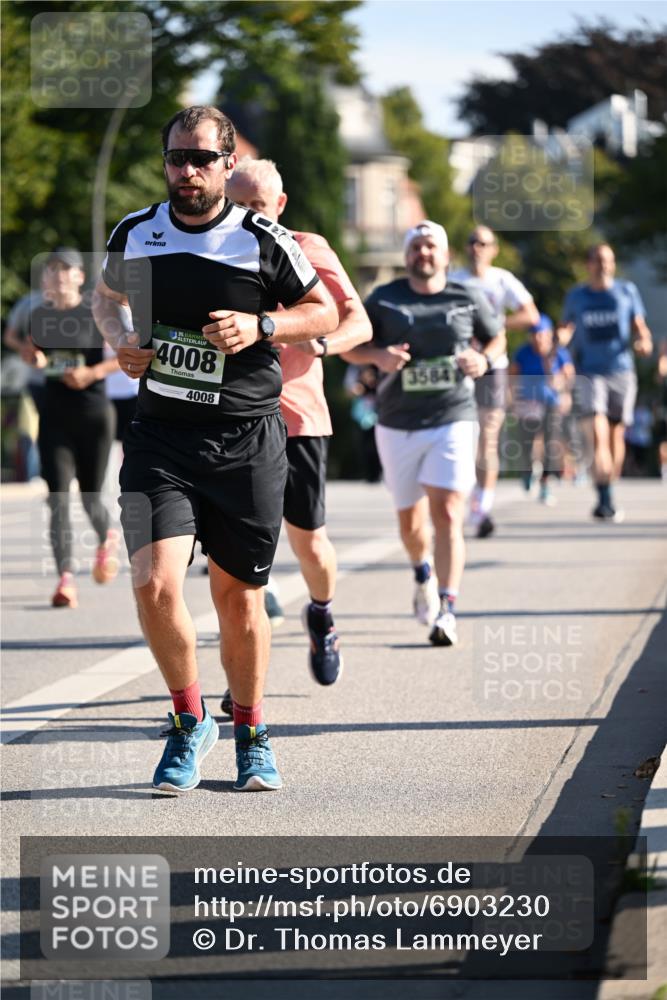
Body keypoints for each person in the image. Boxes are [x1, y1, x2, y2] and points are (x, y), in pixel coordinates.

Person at [92, 106, 338, 794]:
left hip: (245, 441)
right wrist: (120, 340)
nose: (188, 171)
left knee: (238, 602)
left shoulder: (262, 237)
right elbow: (105, 296)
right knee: (153, 584)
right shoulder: (136, 232)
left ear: (229, 165)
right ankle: (187, 720)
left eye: (202, 159)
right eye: (177, 159)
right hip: (160, 436)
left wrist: (262, 324)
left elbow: (324, 314)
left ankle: (252, 733)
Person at [222, 157, 371, 689]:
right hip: (232, 417)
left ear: (279, 206)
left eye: (256, 208)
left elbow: (359, 321)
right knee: (234, 553)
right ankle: (242, 679)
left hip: (298, 415)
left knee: (308, 543)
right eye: (236, 205)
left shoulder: (308, 249)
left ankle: (322, 613)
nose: (244, 218)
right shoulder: (210, 249)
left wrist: (323, 342)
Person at [344, 221, 503, 645]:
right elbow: (347, 344)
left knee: (448, 512)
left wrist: (483, 360)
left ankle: (448, 608)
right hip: (397, 422)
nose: (424, 254)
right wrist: (377, 355)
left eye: (431, 247)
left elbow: (498, 338)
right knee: (412, 523)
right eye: (416, 247)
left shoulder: (466, 296)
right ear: (407, 255)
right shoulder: (384, 299)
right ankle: (423, 574)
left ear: (446, 255)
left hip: (453, 415)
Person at [27, 248, 120, 608]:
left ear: (81, 277)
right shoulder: (40, 314)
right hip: (53, 418)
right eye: (52, 270)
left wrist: (91, 373)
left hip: (94, 416)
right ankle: (66, 578)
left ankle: (106, 535)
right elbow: (34, 352)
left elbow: (125, 354)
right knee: (58, 500)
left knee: (91, 496)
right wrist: (34, 357)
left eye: (66, 270)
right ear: (46, 278)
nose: (59, 276)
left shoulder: (96, 312)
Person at [449, 225, 539, 537]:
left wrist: (498, 322)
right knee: (461, 437)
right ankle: (460, 501)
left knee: (488, 437)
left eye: (484, 243)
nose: (477, 247)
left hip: (492, 364)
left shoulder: (502, 279)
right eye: (472, 241)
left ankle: (482, 508)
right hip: (459, 366)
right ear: (466, 247)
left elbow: (532, 315)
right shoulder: (454, 280)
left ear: (494, 248)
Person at [558, 243, 653, 521]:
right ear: (588, 264)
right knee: (598, 435)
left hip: (621, 372)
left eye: (608, 260)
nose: (604, 265)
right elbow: (566, 327)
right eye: (598, 260)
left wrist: (643, 342)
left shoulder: (626, 292)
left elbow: (640, 327)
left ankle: (608, 486)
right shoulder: (577, 296)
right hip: (589, 372)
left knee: (615, 438)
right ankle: (604, 499)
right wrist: (561, 339)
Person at [509, 314, 575, 505]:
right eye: (535, 335)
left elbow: (569, 377)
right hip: (528, 404)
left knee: (550, 445)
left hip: (551, 404)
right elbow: (512, 377)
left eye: (542, 334)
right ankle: (527, 471)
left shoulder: (558, 353)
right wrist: (513, 400)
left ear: (549, 334)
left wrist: (562, 387)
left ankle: (545, 485)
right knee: (526, 444)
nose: (539, 339)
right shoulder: (523, 353)